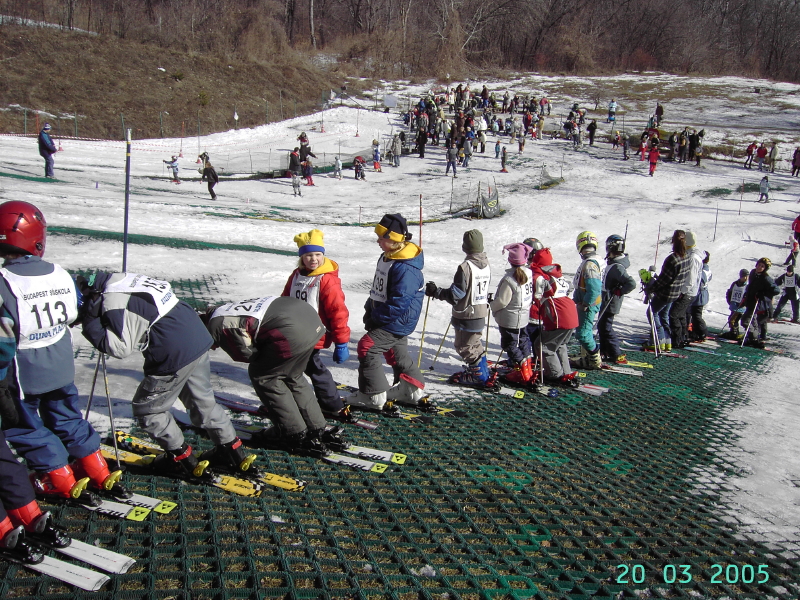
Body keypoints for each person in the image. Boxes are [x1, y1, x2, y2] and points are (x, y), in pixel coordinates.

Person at [0, 201, 128, 505]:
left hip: (25, 372)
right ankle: (96, 467)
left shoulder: (5, 283)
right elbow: (74, 313)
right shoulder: (60, 273)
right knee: (67, 417)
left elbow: (4, 338)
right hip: (60, 365)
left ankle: (58, 477)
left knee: (25, 426)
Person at [78, 272, 254, 476]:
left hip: (173, 350)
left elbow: (119, 348)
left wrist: (90, 320)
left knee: (149, 411)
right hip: (195, 336)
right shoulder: (123, 279)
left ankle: (181, 459)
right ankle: (232, 451)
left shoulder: (112, 300)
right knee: (202, 401)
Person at [204, 296, 343, 454]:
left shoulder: (216, 324)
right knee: (293, 375)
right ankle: (316, 427)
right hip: (310, 321)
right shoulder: (228, 308)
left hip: (291, 330)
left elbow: (246, 355)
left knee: (264, 376)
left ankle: (293, 433)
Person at [349, 214, 425, 410]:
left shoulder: (405, 267)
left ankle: (372, 395)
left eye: (382, 238)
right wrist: (370, 308)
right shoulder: (388, 257)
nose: (378, 241)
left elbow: (399, 301)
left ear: (394, 239)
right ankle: (411, 390)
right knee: (396, 351)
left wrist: (377, 316)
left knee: (368, 347)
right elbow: (379, 288)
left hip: (397, 319)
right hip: (391, 317)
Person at [281, 230, 352, 421]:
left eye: (318, 255)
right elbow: (285, 300)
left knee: (312, 368)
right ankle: (295, 402)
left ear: (323, 255)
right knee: (299, 368)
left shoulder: (326, 280)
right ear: (301, 257)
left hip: (313, 333)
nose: (313, 259)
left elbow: (338, 311)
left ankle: (332, 405)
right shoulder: (296, 275)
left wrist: (341, 342)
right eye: (308, 255)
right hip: (295, 332)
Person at [426, 230, 491, 386]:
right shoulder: (486, 264)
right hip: (480, 311)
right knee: (474, 343)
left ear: (465, 247)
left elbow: (457, 294)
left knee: (464, 346)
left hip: (466, 314)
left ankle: (478, 376)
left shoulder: (465, 267)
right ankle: (482, 371)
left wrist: (436, 292)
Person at [529, 247, 578, 384]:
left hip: (558, 314)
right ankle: (566, 372)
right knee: (560, 344)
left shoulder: (540, 275)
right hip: (570, 312)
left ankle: (555, 374)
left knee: (543, 345)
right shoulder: (556, 273)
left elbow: (537, 294)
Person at [490, 243, 534, 383]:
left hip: (509, 318)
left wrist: (492, 305)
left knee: (510, 344)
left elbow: (502, 301)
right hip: (523, 315)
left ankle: (521, 370)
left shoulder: (509, 279)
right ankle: (527, 367)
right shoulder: (529, 272)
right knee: (523, 341)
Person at [643, 230, 691, 352]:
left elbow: (664, 280)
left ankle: (658, 340)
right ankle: (666, 341)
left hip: (666, 293)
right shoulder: (686, 257)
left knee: (652, 313)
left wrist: (651, 287)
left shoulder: (672, 259)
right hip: (676, 292)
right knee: (663, 315)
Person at [598, 235, 637, 364]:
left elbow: (631, 283)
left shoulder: (617, 267)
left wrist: (619, 291)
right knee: (601, 326)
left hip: (611, 301)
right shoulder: (614, 264)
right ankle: (604, 351)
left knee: (606, 327)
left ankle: (616, 353)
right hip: (607, 300)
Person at [570, 232, 603, 369]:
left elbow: (594, 287)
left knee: (583, 334)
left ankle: (594, 359)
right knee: (584, 331)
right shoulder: (593, 260)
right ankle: (589, 355)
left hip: (588, 303)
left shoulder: (589, 264)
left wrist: (586, 303)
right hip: (585, 301)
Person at [668, 231, 703, 349]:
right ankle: (683, 336)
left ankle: (677, 339)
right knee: (682, 314)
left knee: (674, 314)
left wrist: (682, 291)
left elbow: (691, 278)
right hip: (688, 290)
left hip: (687, 291)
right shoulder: (690, 253)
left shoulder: (693, 257)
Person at [741, 258, 780, 348]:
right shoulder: (753, 273)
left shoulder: (766, 278)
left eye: (762, 266)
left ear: (765, 268)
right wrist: (746, 295)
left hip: (757, 302)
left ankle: (753, 337)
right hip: (750, 300)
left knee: (745, 321)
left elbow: (776, 290)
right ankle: (753, 337)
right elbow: (750, 286)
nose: (759, 267)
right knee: (753, 320)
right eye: (759, 265)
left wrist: (763, 293)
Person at [688, 251, 712, 342]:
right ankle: (696, 331)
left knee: (696, 315)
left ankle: (703, 331)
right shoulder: (707, 269)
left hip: (699, 296)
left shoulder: (703, 271)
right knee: (694, 314)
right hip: (702, 295)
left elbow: (700, 283)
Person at [721, 269, 750, 339]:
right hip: (734, 305)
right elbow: (730, 293)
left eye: (747, 276)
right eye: (744, 276)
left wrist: (744, 303)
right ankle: (734, 332)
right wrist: (729, 301)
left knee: (733, 319)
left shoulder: (747, 286)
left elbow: (748, 297)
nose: (746, 278)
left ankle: (734, 333)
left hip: (741, 307)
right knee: (733, 319)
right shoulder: (735, 284)